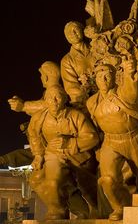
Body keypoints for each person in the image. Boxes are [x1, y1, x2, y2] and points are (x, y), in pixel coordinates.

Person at [86, 61, 138, 220]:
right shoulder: (91, 102)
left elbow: (131, 92)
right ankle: (119, 206)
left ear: (114, 78)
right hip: (110, 142)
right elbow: (96, 124)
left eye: (107, 75)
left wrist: (130, 73)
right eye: (99, 76)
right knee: (107, 179)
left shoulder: (122, 94)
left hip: (132, 138)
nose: (103, 79)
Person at [27, 85, 99, 220]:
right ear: (45, 101)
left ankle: (94, 209)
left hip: (78, 157)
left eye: (57, 97)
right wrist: (38, 155)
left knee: (88, 188)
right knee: (38, 180)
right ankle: (57, 210)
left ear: (64, 99)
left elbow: (92, 137)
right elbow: (34, 136)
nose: (53, 101)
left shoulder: (76, 115)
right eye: (49, 98)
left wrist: (70, 143)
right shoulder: (38, 118)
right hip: (52, 156)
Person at [60, 21, 93, 106]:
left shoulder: (96, 48)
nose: (73, 33)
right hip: (88, 99)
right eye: (69, 32)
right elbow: (71, 87)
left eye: (75, 30)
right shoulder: (67, 60)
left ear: (82, 30)